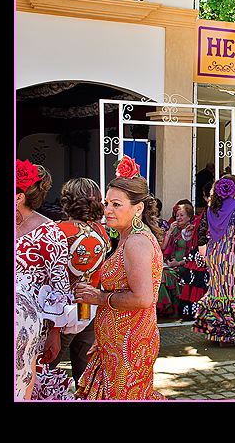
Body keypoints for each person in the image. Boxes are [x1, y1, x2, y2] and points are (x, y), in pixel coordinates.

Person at [74, 155, 165, 400]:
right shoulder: (127, 237)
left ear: (138, 208)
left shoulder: (136, 242)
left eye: (116, 204)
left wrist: (100, 298)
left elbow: (144, 298)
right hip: (116, 340)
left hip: (129, 343)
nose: (107, 210)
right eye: (107, 203)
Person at [15, 159, 75, 400]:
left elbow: (60, 288)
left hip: (30, 330)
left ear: (19, 197)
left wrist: (56, 332)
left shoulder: (48, 231)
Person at [49, 178, 111, 387]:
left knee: (47, 366)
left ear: (67, 201)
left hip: (60, 311)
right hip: (87, 307)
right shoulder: (103, 232)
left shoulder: (56, 231)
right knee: (84, 370)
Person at [192, 175, 235, 345]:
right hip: (230, 256)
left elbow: (201, 233)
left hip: (214, 254)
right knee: (231, 292)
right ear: (232, 190)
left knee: (216, 292)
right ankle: (229, 335)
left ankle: (216, 333)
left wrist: (203, 253)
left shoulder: (210, 209)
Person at [178, 181, 213, 320]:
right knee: (198, 279)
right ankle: (199, 312)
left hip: (205, 250)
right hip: (204, 250)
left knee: (199, 280)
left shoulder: (210, 211)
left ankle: (198, 311)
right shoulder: (210, 211)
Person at [158, 202, 196, 318]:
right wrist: (169, 232)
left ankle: (168, 309)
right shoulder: (175, 230)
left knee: (164, 276)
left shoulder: (192, 232)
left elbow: (193, 256)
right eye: (177, 215)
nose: (178, 218)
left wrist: (178, 263)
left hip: (185, 266)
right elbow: (163, 247)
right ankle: (164, 310)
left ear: (189, 217)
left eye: (181, 215)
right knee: (159, 275)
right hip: (171, 265)